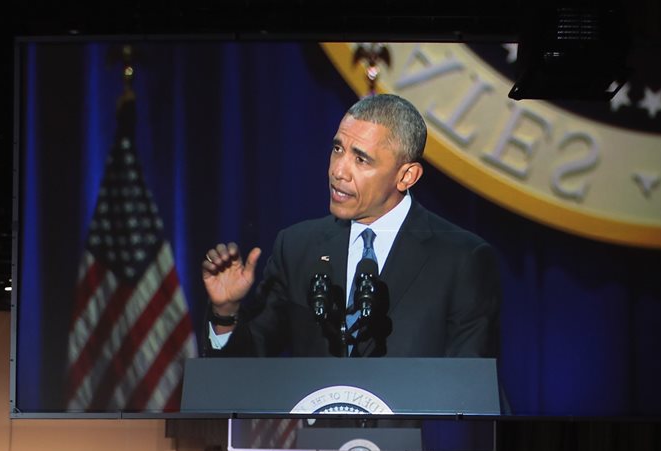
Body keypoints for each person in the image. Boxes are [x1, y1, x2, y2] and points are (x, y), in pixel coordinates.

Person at [201, 93, 500, 359]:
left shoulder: (461, 258)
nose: (338, 171)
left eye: (361, 159)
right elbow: (246, 365)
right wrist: (225, 312)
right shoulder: (296, 248)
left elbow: (467, 391)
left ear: (406, 176)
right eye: (338, 149)